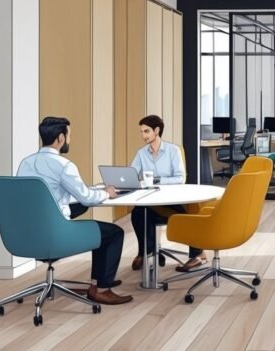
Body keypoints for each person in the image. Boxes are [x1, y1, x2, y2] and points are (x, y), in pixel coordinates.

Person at [16, 117, 133, 305]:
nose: (69, 140)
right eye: (69, 136)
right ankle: (101, 288)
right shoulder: (64, 165)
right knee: (113, 233)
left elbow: (48, 196)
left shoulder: (26, 163)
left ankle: (100, 279)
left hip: (27, 234)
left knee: (82, 205)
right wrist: (106, 193)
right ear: (61, 138)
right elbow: (86, 197)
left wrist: (89, 192)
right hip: (54, 236)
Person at [130, 115, 207, 272]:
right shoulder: (141, 153)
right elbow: (132, 174)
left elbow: (180, 178)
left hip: (173, 201)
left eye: (146, 131)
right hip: (151, 200)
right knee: (138, 213)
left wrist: (156, 180)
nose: (143, 135)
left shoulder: (173, 151)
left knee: (187, 215)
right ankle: (146, 251)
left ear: (157, 130)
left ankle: (198, 254)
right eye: (141, 132)